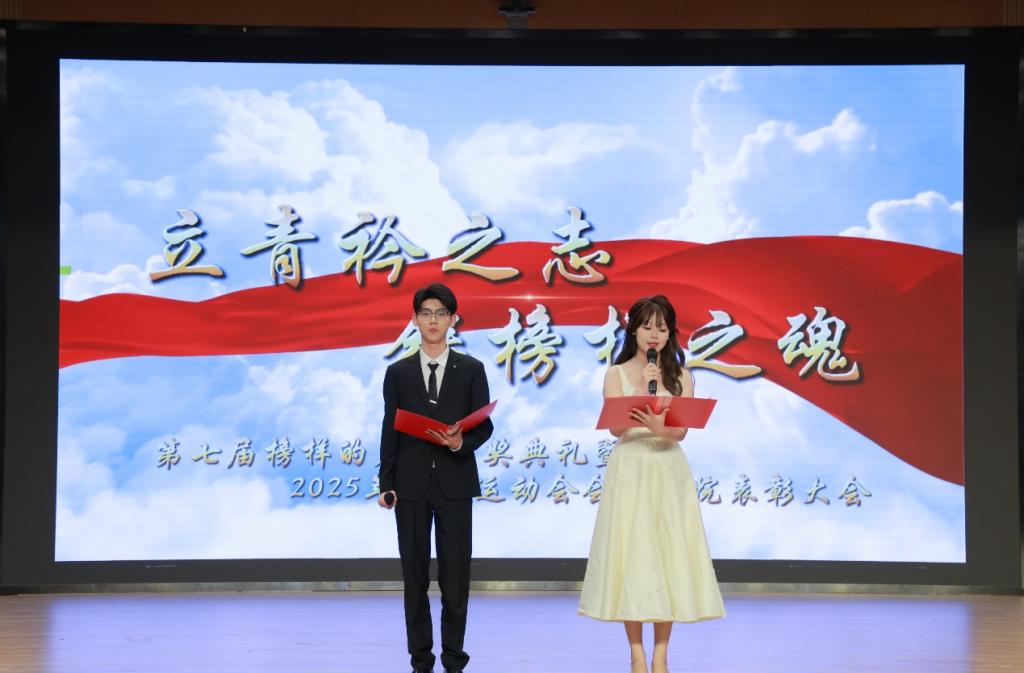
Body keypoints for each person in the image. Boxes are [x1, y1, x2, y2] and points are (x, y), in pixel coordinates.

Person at [578, 294, 725, 673]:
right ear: (634, 331)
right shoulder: (616, 374)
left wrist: (661, 422)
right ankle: (636, 652)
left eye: (661, 327)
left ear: (670, 333)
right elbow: (615, 427)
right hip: (630, 468)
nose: (654, 334)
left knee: (666, 554)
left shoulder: (682, 376)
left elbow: (680, 433)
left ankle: (661, 652)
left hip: (667, 468)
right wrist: (645, 392)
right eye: (647, 327)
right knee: (632, 553)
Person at [378, 282, 494, 673]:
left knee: (455, 576)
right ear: (414, 319)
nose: (433, 320)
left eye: (441, 313)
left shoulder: (472, 369)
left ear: (453, 320)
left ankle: (454, 659)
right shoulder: (398, 372)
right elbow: (389, 430)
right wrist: (386, 483)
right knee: (414, 576)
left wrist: (461, 442)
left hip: (455, 482)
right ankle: (421, 660)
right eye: (426, 313)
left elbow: (484, 426)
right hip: (410, 486)